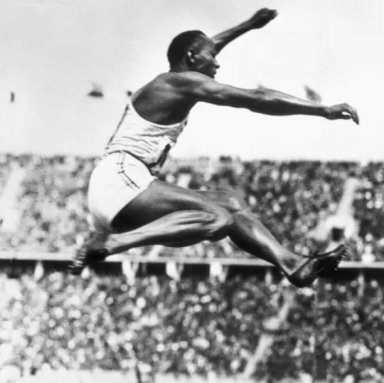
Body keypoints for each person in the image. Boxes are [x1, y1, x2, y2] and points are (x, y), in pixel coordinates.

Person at [71, 8, 359, 287]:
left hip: (122, 189)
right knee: (216, 218)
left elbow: (207, 47)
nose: (217, 63)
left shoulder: (179, 77)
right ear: (192, 58)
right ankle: (112, 243)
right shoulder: (178, 83)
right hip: (120, 180)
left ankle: (293, 264)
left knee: (231, 205)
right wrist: (322, 109)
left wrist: (247, 25)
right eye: (212, 57)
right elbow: (256, 97)